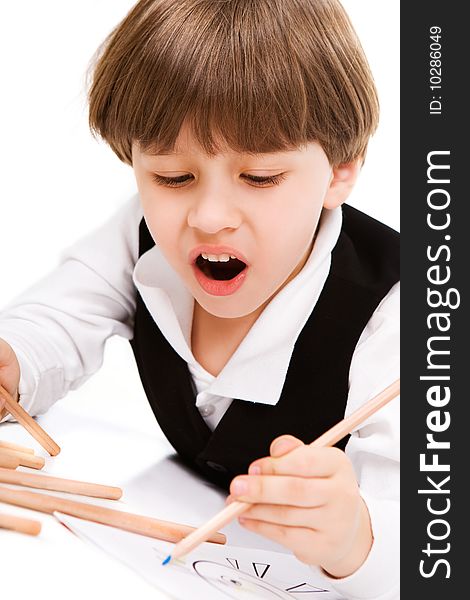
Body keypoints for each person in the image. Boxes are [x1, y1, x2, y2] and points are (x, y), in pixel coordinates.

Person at [0, 0, 399, 597]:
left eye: (260, 178)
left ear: (341, 169)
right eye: (171, 178)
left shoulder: (400, 315)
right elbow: (57, 321)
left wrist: (355, 539)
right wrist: (15, 361)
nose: (209, 217)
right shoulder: (138, 233)